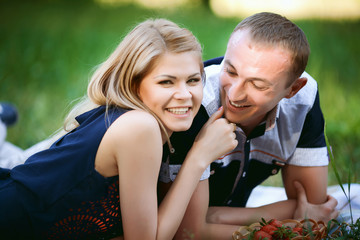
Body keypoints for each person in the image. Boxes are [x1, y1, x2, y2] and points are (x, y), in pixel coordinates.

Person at [0, 19, 238, 239]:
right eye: (166, 81)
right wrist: (199, 158)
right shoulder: (139, 128)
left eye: (193, 80)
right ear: (134, 85)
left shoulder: (136, 123)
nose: (185, 95)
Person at [158, 12, 339, 239]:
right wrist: (278, 227)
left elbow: (311, 207)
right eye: (230, 70)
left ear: (293, 89)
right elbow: (187, 232)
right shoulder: (190, 107)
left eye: (257, 85)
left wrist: (215, 217)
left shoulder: (304, 100)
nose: (234, 94)